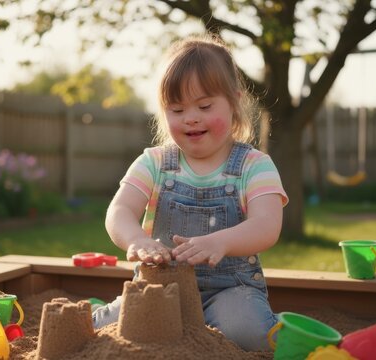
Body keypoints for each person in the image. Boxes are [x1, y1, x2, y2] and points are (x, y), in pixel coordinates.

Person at [92, 34, 288, 352]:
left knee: (249, 333)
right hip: (159, 287)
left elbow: (267, 225)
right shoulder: (154, 162)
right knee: (102, 329)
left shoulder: (254, 165)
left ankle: (275, 325)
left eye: (205, 105)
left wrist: (220, 241)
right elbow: (119, 211)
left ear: (235, 102)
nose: (191, 117)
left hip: (230, 291)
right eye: (177, 109)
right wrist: (137, 240)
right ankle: (98, 311)